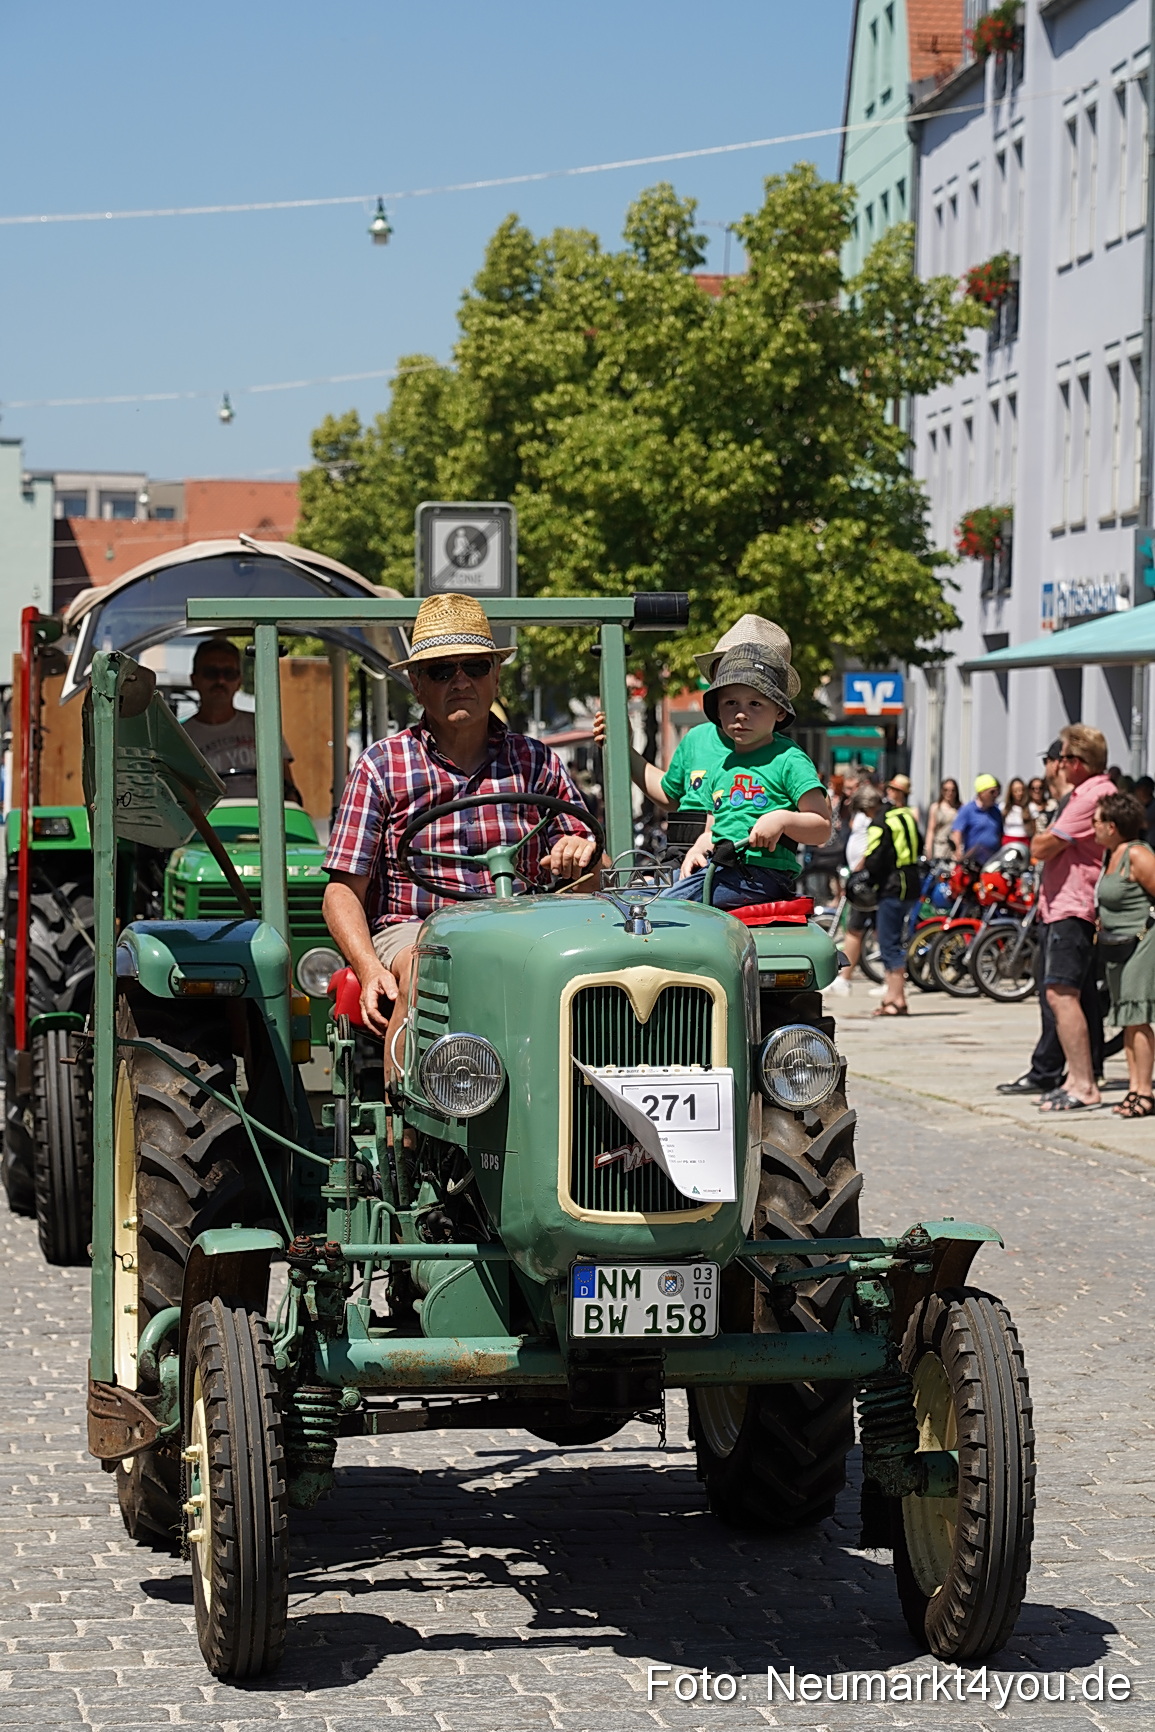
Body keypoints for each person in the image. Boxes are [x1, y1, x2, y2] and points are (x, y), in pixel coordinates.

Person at [322, 593, 598, 1064]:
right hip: (416, 930)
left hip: (525, 926)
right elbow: (342, 891)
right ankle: (404, 1107)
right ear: (416, 684)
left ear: (496, 676)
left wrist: (580, 853)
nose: (461, 681)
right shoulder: (382, 765)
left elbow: (595, 871)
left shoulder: (536, 760)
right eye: (441, 671)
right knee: (425, 971)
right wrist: (369, 970)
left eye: (474, 667)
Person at [661, 644, 832, 909]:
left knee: (665, 906)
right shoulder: (722, 766)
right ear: (718, 711)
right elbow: (715, 827)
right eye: (731, 703)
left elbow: (822, 827)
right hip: (721, 867)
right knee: (644, 892)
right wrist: (697, 849)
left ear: (780, 711)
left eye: (755, 703)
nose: (741, 714)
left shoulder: (789, 759)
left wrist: (783, 820)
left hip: (762, 875)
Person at [1030, 724, 1116, 1111]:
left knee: (1061, 994)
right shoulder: (1086, 794)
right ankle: (1076, 1078)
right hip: (1062, 905)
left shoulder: (1091, 796)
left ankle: (1083, 1085)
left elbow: (1042, 846)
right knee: (1069, 995)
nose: (1057, 765)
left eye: (1062, 758)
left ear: (1077, 762)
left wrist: (1046, 834)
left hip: (1073, 906)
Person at [1093, 791, 1155, 1118]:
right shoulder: (1112, 854)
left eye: (1097, 821)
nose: (1093, 826)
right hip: (1118, 945)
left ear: (1112, 826)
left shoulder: (1138, 854)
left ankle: (1144, 1092)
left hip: (1142, 943)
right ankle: (1134, 1087)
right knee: (1127, 1019)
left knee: (1137, 1016)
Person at [182, 637, 301, 803]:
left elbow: (288, 788)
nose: (220, 681)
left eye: (229, 674)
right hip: (211, 818)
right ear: (194, 679)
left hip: (262, 818)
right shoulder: (181, 737)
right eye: (211, 673)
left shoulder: (263, 727)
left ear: (239, 681)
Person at [863, 773, 923, 1017]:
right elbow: (919, 845)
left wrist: (868, 879)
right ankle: (892, 996)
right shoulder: (907, 816)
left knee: (889, 943)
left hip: (892, 886)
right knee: (895, 939)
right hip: (911, 882)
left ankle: (897, 1000)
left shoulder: (883, 820)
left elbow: (874, 858)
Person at [828, 785, 883, 996]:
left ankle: (847, 978)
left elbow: (871, 846)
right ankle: (846, 977)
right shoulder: (864, 815)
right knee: (859, 928)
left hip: (865, 880)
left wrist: (859, 868)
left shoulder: (876, 819)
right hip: (858, 877)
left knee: (857, 928)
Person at [949, 774, 1003, 863]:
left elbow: (1000, 834)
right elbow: (957, 832)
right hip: (974, 861)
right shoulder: (968, 810)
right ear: (981, 793)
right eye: (992, 792)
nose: (995, 795)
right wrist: (958, 850)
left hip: (993, 861)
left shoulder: (996, 811)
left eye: (997, 792)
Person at [925, 778, 961, 860]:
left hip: (954, 848)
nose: (949, 793)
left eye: (952, 790)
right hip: (940, 847)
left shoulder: (961, 808)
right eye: (946, 790)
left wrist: (959, 849)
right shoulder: (936, 807)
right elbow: (931, 830)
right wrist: (928, 849)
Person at [1001, 776, 1034, 846]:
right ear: (1011, 792)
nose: (1019, 793)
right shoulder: (1003, 807)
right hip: (1008, 841)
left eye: (1021, 790)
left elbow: (1034, 830)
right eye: (1016, 791)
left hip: (1024, 841)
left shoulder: (1031, 807)